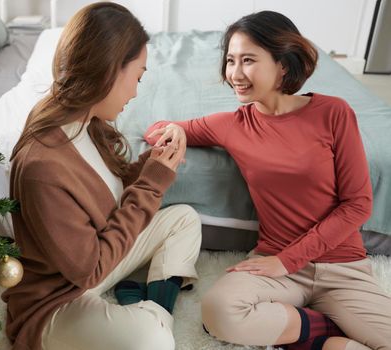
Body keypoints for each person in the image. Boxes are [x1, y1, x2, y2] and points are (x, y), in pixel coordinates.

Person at [145, 10, 391, 350]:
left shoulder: (334, 113)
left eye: (248, 60)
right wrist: (171, 130)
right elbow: (157, 130)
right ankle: (323, 331)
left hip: (341, 267)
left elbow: (358, 203)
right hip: (275, 265)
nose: (235, 73)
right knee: (218, 312)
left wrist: (287, 260)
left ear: (283, 65)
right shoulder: (233, 124)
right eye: (230, 61)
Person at [2, 3, 202, 350]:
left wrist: (151, 165)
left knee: (184, 219)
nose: (136, 91)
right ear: (110, 70)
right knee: (154, 341)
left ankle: (151, 305)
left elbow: (107, 192)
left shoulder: (84, 120)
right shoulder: (43, 167)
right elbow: (90, 271)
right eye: (137, 77)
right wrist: (152, 185)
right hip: (56, 299)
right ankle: (158, 307)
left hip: (96, 255)